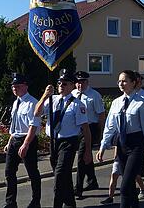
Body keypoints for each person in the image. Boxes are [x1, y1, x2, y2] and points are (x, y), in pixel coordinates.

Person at [97, 70, 144, 208]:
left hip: (136, 145)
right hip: (122, 145)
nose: (121, 84)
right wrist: (102, 146)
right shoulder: (116, 103)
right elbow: (109, 127)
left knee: (124, 187)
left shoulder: (141, 103)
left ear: (133, 82)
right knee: (129, 186)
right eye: (119, 81)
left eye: (124, 81)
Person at [34, 69, 92, 208]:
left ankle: (57, 205)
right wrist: (45, 95)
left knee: (59, 176)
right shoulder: (52, 100)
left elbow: (86, 129)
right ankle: (70, 203)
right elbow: (36, 113)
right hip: (53, 142)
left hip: (68, 142)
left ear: (72, 86)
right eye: (59, 82)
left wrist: (88, 151)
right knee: (63, 176)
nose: (61, 85)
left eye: (65, 83)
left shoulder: (78, 105)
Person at [4, 73, 41, 208]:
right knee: (9, 173)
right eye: (13, 86)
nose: (15, 89)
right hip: (15, 140)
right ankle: (10, 202)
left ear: (25, 86)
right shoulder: (16, 103)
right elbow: (14, 125)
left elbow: (34, 125)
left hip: (28, 140)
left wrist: (26, 144)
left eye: (18, 86)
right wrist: (9, 142)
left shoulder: (33, 103)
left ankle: (35, 202)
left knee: (32, 173)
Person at [73, 71, 105, 199]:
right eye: (77, 82)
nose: (79, 84)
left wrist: (101, 133)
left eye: (82, 82)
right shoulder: (73, 94)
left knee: (81, 157)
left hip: (90, 128)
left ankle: (78, 188)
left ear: (87, 82)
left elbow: (101, 115)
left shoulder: (94, 95)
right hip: (76, 128)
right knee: (87, 156)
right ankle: (92, 181)